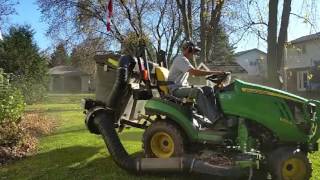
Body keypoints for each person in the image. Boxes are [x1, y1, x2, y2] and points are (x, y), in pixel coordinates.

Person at [168, 41, 225, 123]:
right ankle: (216, 120)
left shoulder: (184, 60)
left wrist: (211, 74)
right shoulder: (180, 59)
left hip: (183, 87)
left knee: (208, 89)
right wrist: (214, 72)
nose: (194, 54)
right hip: (175, 89)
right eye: (193, 51)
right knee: (197, 91)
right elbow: (194, 72)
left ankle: (214, 115)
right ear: (188, 49)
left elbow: (195, 73)